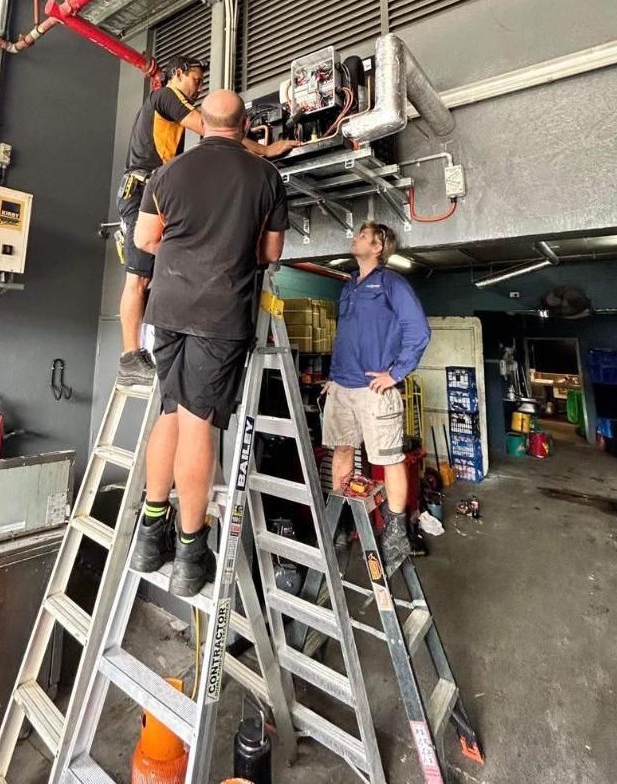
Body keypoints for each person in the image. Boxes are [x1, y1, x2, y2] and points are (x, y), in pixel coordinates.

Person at [127, 89, 288, 596]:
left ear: (202, 125)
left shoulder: (168, 173)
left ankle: (150, 536)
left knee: (170, 412)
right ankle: (191, 551)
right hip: (221, 315)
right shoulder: (265, 176)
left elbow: (144, 240)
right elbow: (271, 252)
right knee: (199, 424)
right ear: (243, 127)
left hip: (168, 310)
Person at [116, 56, 298, 387]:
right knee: (138, 278)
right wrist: (266, 151)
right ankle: (130, 357)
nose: (198, 87)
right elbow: (212, 130)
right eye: (196, 79)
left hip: (150, 190)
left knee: (153, 276)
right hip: (140, 192)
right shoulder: (166, 96)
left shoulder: (167, 104)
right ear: (178, 73)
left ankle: (146, 345)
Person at [324, 222, 431, 572]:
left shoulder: (392, 284)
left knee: (388, 458)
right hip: (342, 386)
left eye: (361, 235)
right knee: (342, 450)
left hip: (374, 390)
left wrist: (396, 373)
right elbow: (348, 336)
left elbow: (418, 331)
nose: (354, 238)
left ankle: (397, 533)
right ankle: (340, 528)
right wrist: (333, 377)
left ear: (378, 246)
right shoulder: (349, 286)